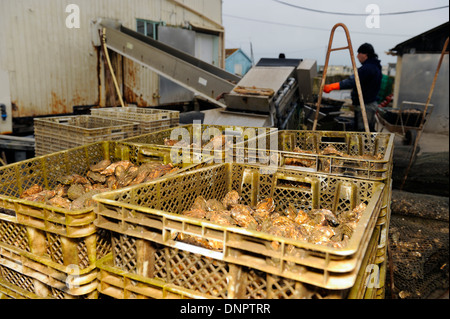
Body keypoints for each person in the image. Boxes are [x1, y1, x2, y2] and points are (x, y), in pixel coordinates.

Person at [323, 43, 382, 131]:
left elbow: (353, 81)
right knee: (368, 130)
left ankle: (365, 145)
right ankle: (368, 144)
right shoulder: (374, 66)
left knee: (363, 132)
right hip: (369, 104)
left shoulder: (368, 68)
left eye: (359, 54)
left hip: (366, 105)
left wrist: (333, 86)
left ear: (365, 55)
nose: (357, 56)